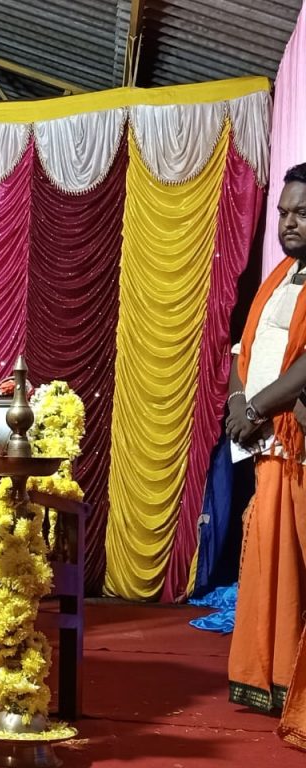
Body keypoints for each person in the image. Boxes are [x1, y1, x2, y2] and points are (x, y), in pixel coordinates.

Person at [226, 163, 306, 751]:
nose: (288, 222)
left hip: (296, 441)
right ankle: (271, 678)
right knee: (270, 560)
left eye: (301, 213)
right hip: (267, 443)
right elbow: (246, 349)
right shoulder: (278, 276)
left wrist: (256, 407)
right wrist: (238, 400)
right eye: (283, 213)